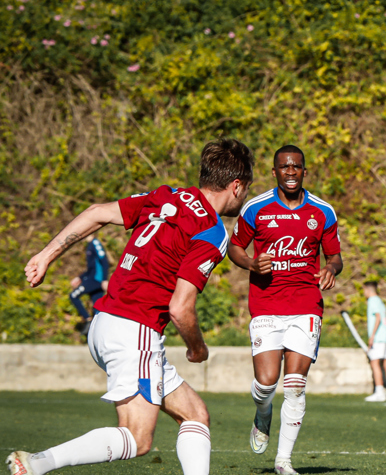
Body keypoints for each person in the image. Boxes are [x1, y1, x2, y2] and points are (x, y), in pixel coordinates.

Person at [7, 138, 254, 475]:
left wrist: (45, 255)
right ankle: (36, 464)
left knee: (195, 413)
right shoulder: (212, 231)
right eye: (246, 189)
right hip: (135, 329)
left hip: (105, 322)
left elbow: (96, 213)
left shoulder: (165, 195)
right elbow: (180, 308)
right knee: (138, 439)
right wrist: (198, 348)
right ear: (236, 186)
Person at [228, 144, 343, 475]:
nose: (290, 172)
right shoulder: (256, 208)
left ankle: (283, 461)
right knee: (266, 383)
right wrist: (251, 262)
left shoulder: (323, 211)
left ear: (305, 172)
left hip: (306, 304)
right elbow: (234, 247)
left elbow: (335, 256)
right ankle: (262, 414)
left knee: (294, 384)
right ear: (274, 172)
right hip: (265, 304)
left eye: (296, 167)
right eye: (284, 167)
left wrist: (330, 270)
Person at [69, 234, 111, 334]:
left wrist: (104, 279)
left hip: (96, 280)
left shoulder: (95, 243)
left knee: (73, 295)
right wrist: (80, 278)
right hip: (92, 278)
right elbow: (91, 269)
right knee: (97, 308)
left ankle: (88, 319)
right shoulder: (90, 245)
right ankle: (99, 332)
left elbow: (104, 261)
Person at [363, 281, 386, 402]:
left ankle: (379, 392)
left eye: (364, 290)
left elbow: (378, 317)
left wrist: (372, 337)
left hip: (378, 337)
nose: (364, 293)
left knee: (375, 363)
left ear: (368, 290)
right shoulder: (380, 301)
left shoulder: (373, 301)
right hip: (385, 336)